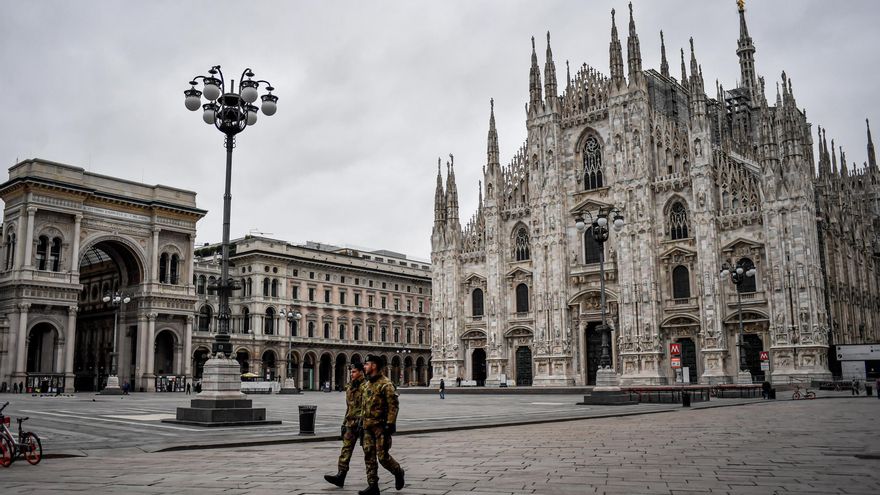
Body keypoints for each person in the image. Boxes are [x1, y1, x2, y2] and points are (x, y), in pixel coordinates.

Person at [359, 354, 405, 495]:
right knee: (369, 455)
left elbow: (393, 405)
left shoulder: (386, 384)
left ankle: (398, 471)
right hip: (367, 426)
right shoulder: (367, 384)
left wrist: (390, 424)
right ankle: (373, 485)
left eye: (367, 364)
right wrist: (360, 422)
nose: (364, 367)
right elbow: (364, 405)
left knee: (382, 457)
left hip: (381, 427)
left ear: (374, 366)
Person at [324, 362, 366, 488]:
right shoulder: (350, 386)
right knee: (346, 449)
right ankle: (340, 475)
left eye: (354, 372)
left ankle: (391, 473)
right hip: (350, 423)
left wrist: (363, 422)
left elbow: (368, 406)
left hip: (363, 424)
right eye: (351, 372)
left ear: (361, 372)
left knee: (370, 452)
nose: (351, 374)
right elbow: (349, 407)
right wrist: (344, 423)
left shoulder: (366, 386)